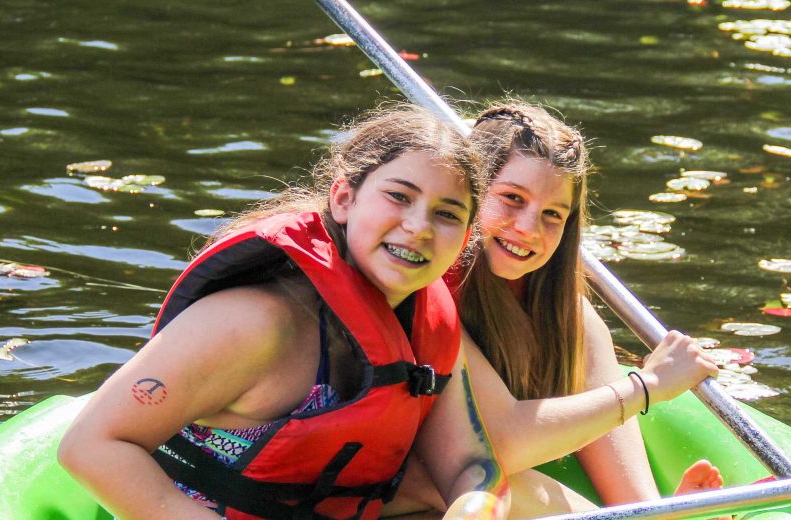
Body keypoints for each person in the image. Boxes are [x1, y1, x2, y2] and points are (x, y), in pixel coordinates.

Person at [59, 105, 510, 520]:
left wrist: (474, 508)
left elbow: (471, 464)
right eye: (398, 196)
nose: (418, 228)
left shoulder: (428, 322)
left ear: (468, 235)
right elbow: (90, 445)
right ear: (343, 200)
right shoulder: (254, 324)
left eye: (447, 214)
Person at [387, 101, 726, 517]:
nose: (528, 228)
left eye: (552, 214)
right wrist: (648, 385)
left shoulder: (568, 316)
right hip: (398, 488)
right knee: (501, 483)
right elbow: (495, 444)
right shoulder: (427, 287)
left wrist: (646, 509)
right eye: (511, 198)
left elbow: (623, 484)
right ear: (468, 191)